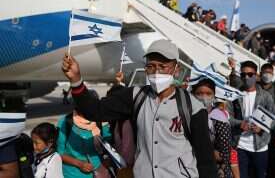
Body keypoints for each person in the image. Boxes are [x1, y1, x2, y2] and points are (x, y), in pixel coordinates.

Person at [61, 39, 217, 178]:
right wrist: (76, 80)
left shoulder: (192, 107)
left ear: (176, 69)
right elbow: (95, 111)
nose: (156, 72)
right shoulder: (136, 96)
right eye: (151, 66)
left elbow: (206, 160)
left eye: (163, 66)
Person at [227, 60, 275, 178]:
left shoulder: (266, 96)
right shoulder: (235, 95)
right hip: (240, 145)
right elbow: (227, 116)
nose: (246, 77)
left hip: (260, 145)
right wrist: (240, 123)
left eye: (250, 74)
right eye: (243, 74)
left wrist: (262, 127)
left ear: (256, 76)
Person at [192, 78, 238, 178]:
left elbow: (224, 153)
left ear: (214, 96)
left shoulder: (219, 118)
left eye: (208, 93)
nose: (204, 97)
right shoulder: (187, 114)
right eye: (199, 93)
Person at [56, 110, 112, 178]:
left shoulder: (101, 121)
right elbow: (59, 153)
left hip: (100, 173)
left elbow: (110, 148)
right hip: (71, 174)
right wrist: (79, 164)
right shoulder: (65, 122)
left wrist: (106, 160)